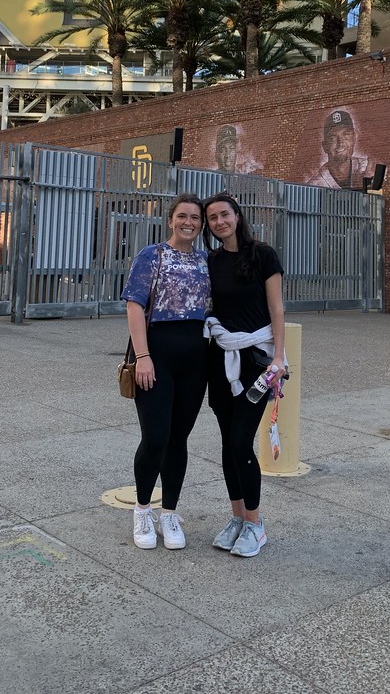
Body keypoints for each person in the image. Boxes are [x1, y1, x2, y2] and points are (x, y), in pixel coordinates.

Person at [121, 193, 210, 551]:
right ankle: (143, 508)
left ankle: (170, 512)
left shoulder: (207, 260)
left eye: (196, 218)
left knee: (178, 439)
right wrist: (143, 356)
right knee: (156, 436)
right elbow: (134, 306)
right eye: (183, 216)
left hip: (195, 357)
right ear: (170, 220)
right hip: (156, 354)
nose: (189, 222)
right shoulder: (151, 255)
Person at [203, 192, 287, 557]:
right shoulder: (212, 261)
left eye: (225, 214)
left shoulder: (263, 255)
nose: (219, 222)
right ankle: (236, 517)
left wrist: (279, 358)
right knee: (226, 444)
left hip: (256, 360)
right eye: (212, 218)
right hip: (220, 358)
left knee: (241, 443)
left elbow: (277, 308)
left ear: (237, 216)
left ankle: (255, 524)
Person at [306, 108, 369, 189]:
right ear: (325, 146)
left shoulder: (367, 168)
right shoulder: (314, 186)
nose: (340, 143)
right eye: (333, 138)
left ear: (354, 138)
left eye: (346, 135)